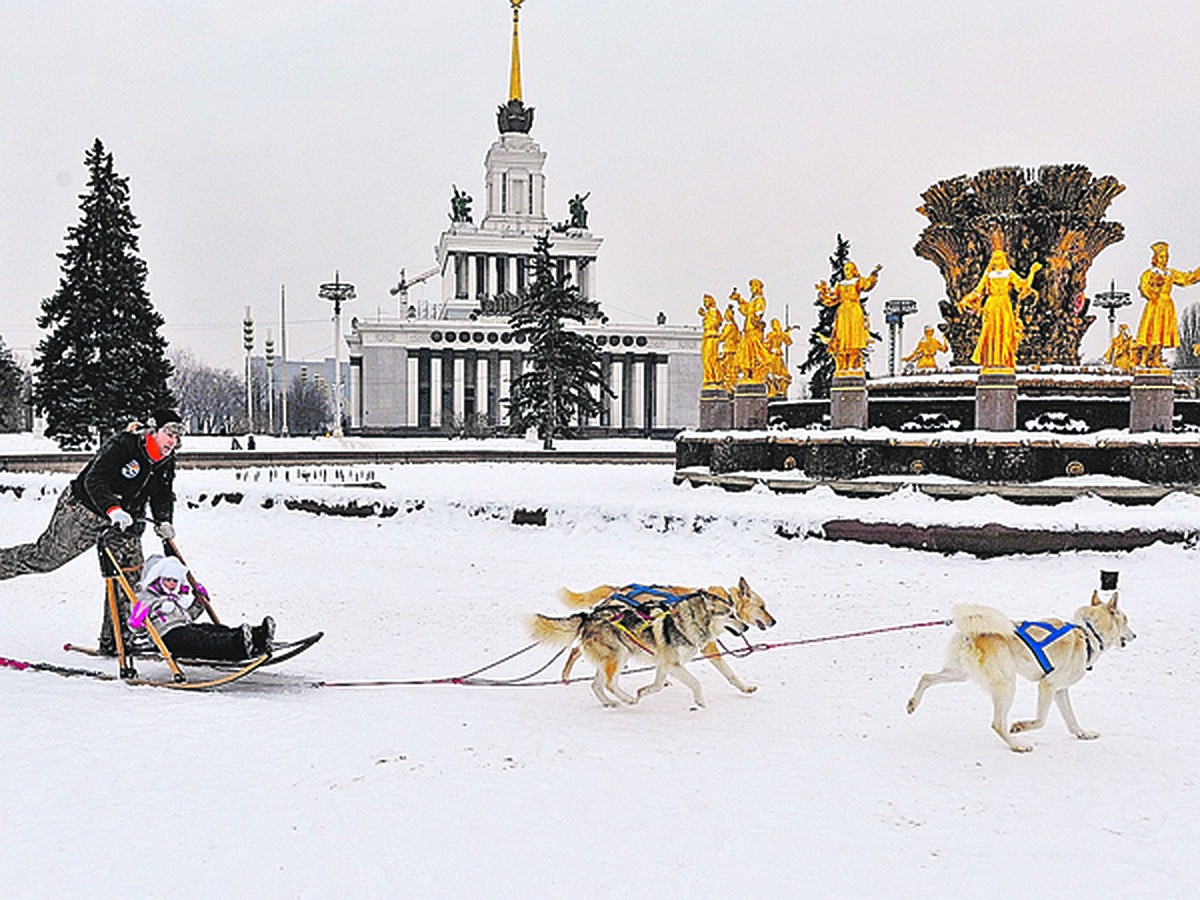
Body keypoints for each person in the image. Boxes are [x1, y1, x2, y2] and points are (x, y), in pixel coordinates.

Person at [0, 408, 185, 654]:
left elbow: (162, 494)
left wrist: (164, 520)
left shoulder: (166, 461)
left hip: (128, 522)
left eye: (177, 437)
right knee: (45, 558)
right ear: (153, 431)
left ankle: (117, 641)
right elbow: (94, 480)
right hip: (84, 510)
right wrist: (113, 508)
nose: (172, 442)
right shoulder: (124, 445)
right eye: (169, 434)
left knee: (130, 579)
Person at [131, 555, 274, 661]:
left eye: (175, 581)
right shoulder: (146, 598)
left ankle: (258, 636)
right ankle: (238, 645)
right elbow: (137, 627)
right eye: (168, 580)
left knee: (212, 629)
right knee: (203, 640)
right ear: (157, 579)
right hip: (166, 636)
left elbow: (190, 616)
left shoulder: (175, 599)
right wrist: (138, 619)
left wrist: (199, 602)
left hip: (183, 628)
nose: (172, 584)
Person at [957, 248, 1041, 371]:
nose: (996, 261)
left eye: (999, 258)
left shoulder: (1009, 273)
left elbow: (1023, 286)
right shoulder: (988, 275)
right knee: (990, 332)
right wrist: (966, 300)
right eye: (995, 259)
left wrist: (1032, 272)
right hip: (991, 304)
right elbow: (978, 290)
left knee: (1005, 331)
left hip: (1004, 304)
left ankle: (1004, 360)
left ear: (1004, 260)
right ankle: (990, 361)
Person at [1135, 241, 1200, 369]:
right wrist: (1152, 291)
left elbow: (1186, 278)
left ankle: (1156, 359)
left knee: (1161, 334)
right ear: (1155, 258)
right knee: (1151, 333)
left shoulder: (1170, 274)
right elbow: (1143, 287)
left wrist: (1197, 273)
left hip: (1167, 306)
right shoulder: (1149, 273)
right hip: (1154, 305)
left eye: (1166, 257)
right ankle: (1143, 360)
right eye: (1161, 257)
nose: (1164, 260)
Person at [817, 261, 882, 373]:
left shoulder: (857, 281)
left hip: (854, 311)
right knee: (842, 338)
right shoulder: (840, 284)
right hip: (843, 312)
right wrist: (823, 293)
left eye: (848, 269)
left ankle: (853, 364)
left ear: (853, 270)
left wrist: (873, 274)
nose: (846, 271)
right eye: (845, 269)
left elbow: (867, 285)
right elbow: (833, 299)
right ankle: (843, 365)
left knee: (854, 338)